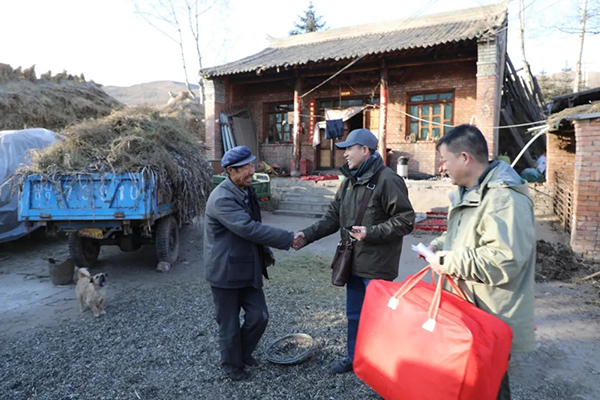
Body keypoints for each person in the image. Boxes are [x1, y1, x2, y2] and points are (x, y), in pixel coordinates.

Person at [424, 124, 536, 400]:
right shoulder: (471, 190)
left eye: (444, 160)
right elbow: (463, 234)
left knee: (488, 386)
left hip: (491, 314)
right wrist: (438, 245)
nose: (441, 168)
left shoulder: (503, 198)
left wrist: (445, 261)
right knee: (470, 383)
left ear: (465, 157)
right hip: (471, 309)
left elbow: (503, 259)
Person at [294, 129, 415, 374]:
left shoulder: (388, 180)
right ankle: (354, 358)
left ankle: (383, 366)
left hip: (378, 267)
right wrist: (305, 236)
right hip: (353, 263)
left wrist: (371, 232)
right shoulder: (349, 181)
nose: (345, 154)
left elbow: (406, 220)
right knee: (354, 315)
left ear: (365, 150)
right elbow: (332, 218)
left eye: (349, 148)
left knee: (380, 318)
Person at [204, 145, 304, 381]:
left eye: (251, 165)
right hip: (225, 272)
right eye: (245, 168)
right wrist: (288, 238)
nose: (251, 171)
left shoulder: (246, 190)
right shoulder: (222, 198)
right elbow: (248, 228)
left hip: (247, 266)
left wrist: (265, 251)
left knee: (259, 316)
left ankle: (242, 353)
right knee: (228, 324)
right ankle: (232, 366)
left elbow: (255, 226)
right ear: (230, 171)